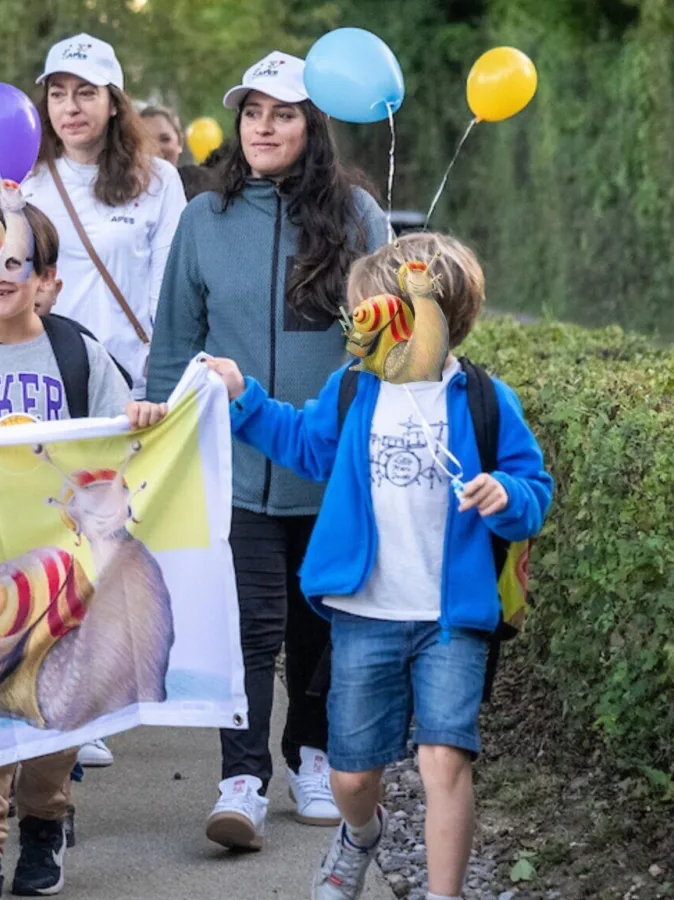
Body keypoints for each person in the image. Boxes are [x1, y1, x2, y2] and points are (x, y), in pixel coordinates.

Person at [200, 233, 552, 900]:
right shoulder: (353, 391)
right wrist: (244, 396)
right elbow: (304, 446)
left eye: (368, 310)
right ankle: (362, 834)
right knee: (352, 779)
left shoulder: (484, 399)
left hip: (452, 618)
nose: (355, 324)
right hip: (364, 615)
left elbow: (532, 490)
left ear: (423, 315)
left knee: (444, 758)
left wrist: (508, 496)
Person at [145, 50, 390, 851]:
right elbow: (175, 342)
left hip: (330, 467)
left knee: (323, 622)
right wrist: (159, 428)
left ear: (311, 125)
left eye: (282, 113)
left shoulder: (358, 215)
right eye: (253, 112)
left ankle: (310, 756)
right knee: (248, 625)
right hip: (236, 466)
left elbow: (393, 337)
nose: (264, 126)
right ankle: (242, 779)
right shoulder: (202, 219)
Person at [0, 197, 162, 900]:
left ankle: (46, 817)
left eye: (13, 262)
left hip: (66, 574)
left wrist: (141, 418)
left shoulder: (78, 354)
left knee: (54, 711)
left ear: (45, 276)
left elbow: (127, 441)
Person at [23, 33, 187, 404]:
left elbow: (169, 293)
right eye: (58, 93)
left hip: (133, 387)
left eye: (86, 92)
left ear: (114, 103)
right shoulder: (27, 181)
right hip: (50, 384)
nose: (70, 108)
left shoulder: (158, 179)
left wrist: (160, 379)